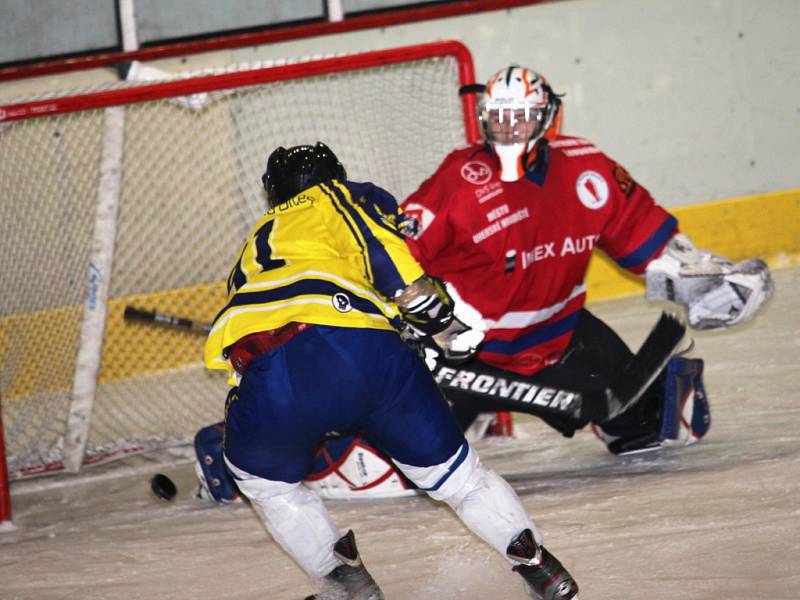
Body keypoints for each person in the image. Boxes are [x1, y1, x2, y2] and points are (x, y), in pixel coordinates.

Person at [202, 141, 580, 599]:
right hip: (365, 350)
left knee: (265, 484)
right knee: (462, 481)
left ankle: (347, 583)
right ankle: (540, 567)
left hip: (272, 370)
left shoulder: (252, 250)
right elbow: (377, 250)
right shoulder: (334, 197)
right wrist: (436, 318)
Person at [398, 64, 773, 454]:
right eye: (499, 117)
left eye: (521, 117)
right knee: (401, 461)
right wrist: (410, 324)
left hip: (562, 340)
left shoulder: (585, 168)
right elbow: (397, 253)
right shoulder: (460, 179)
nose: (509, 129)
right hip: (468, 355)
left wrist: (701, 283)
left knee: (651, 423)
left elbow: (641, 233)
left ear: (548, 118)